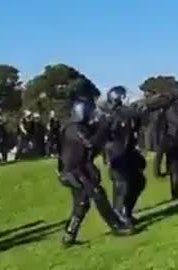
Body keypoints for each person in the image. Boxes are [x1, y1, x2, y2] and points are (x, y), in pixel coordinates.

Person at [58, 96, 133, 247]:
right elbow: (90, 143)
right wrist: (104, 127)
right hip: (73, 171)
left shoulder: (80, 126)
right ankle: (117, 227)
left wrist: (107, 124)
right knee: (97, 195)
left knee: (82, 203)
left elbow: (97, 137)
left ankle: (69, 237)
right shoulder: (72, 128)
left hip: (80, 169)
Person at [103, 86, 147, 223]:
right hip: (118, 154)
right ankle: (118, 216)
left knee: (138, 182)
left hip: (128, 153)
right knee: (122, 185)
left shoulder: (126, 112)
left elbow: (137, 120)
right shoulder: (114, 115)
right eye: (124, 96)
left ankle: (126, 212)